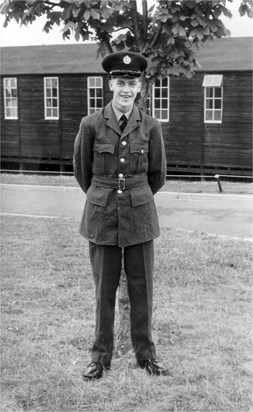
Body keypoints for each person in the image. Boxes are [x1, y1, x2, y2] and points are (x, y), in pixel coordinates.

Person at [73, 51, 168, 380]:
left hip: (140, 216)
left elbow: (157, 175)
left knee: (143, 288)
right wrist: (104, 196)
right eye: (121, 82)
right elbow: (82, 173)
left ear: (140, 87)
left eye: (132, 83)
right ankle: (100, 358)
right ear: (110, 84)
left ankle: (146, 356)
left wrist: (134, 198)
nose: (126, 89)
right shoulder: (91, 125)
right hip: (101, 217)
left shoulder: (151, 126)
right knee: (104, 290)